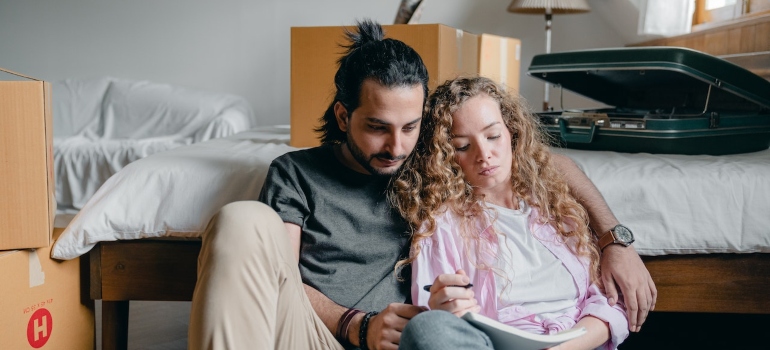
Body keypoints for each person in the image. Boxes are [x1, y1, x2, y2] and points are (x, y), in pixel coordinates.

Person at [188, 20, 654, 350]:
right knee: (241, 217)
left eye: (410, 126)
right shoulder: (297, 173)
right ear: (342, 115)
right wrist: (356, 325)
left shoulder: (425, 169)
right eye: (377, 127)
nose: (395, 146)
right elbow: (280, 279)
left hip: (413, 342)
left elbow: (541, 161)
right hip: (318, 336)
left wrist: (616, 238)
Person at [391, 76, 629, 349]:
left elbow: (608, 301)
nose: (484, 154)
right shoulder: (442, 226)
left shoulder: (558, 204)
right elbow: (437, 329)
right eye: (462, 147)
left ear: (512, 132)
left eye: (493, 136)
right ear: (445, 156)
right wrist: (443, 308)